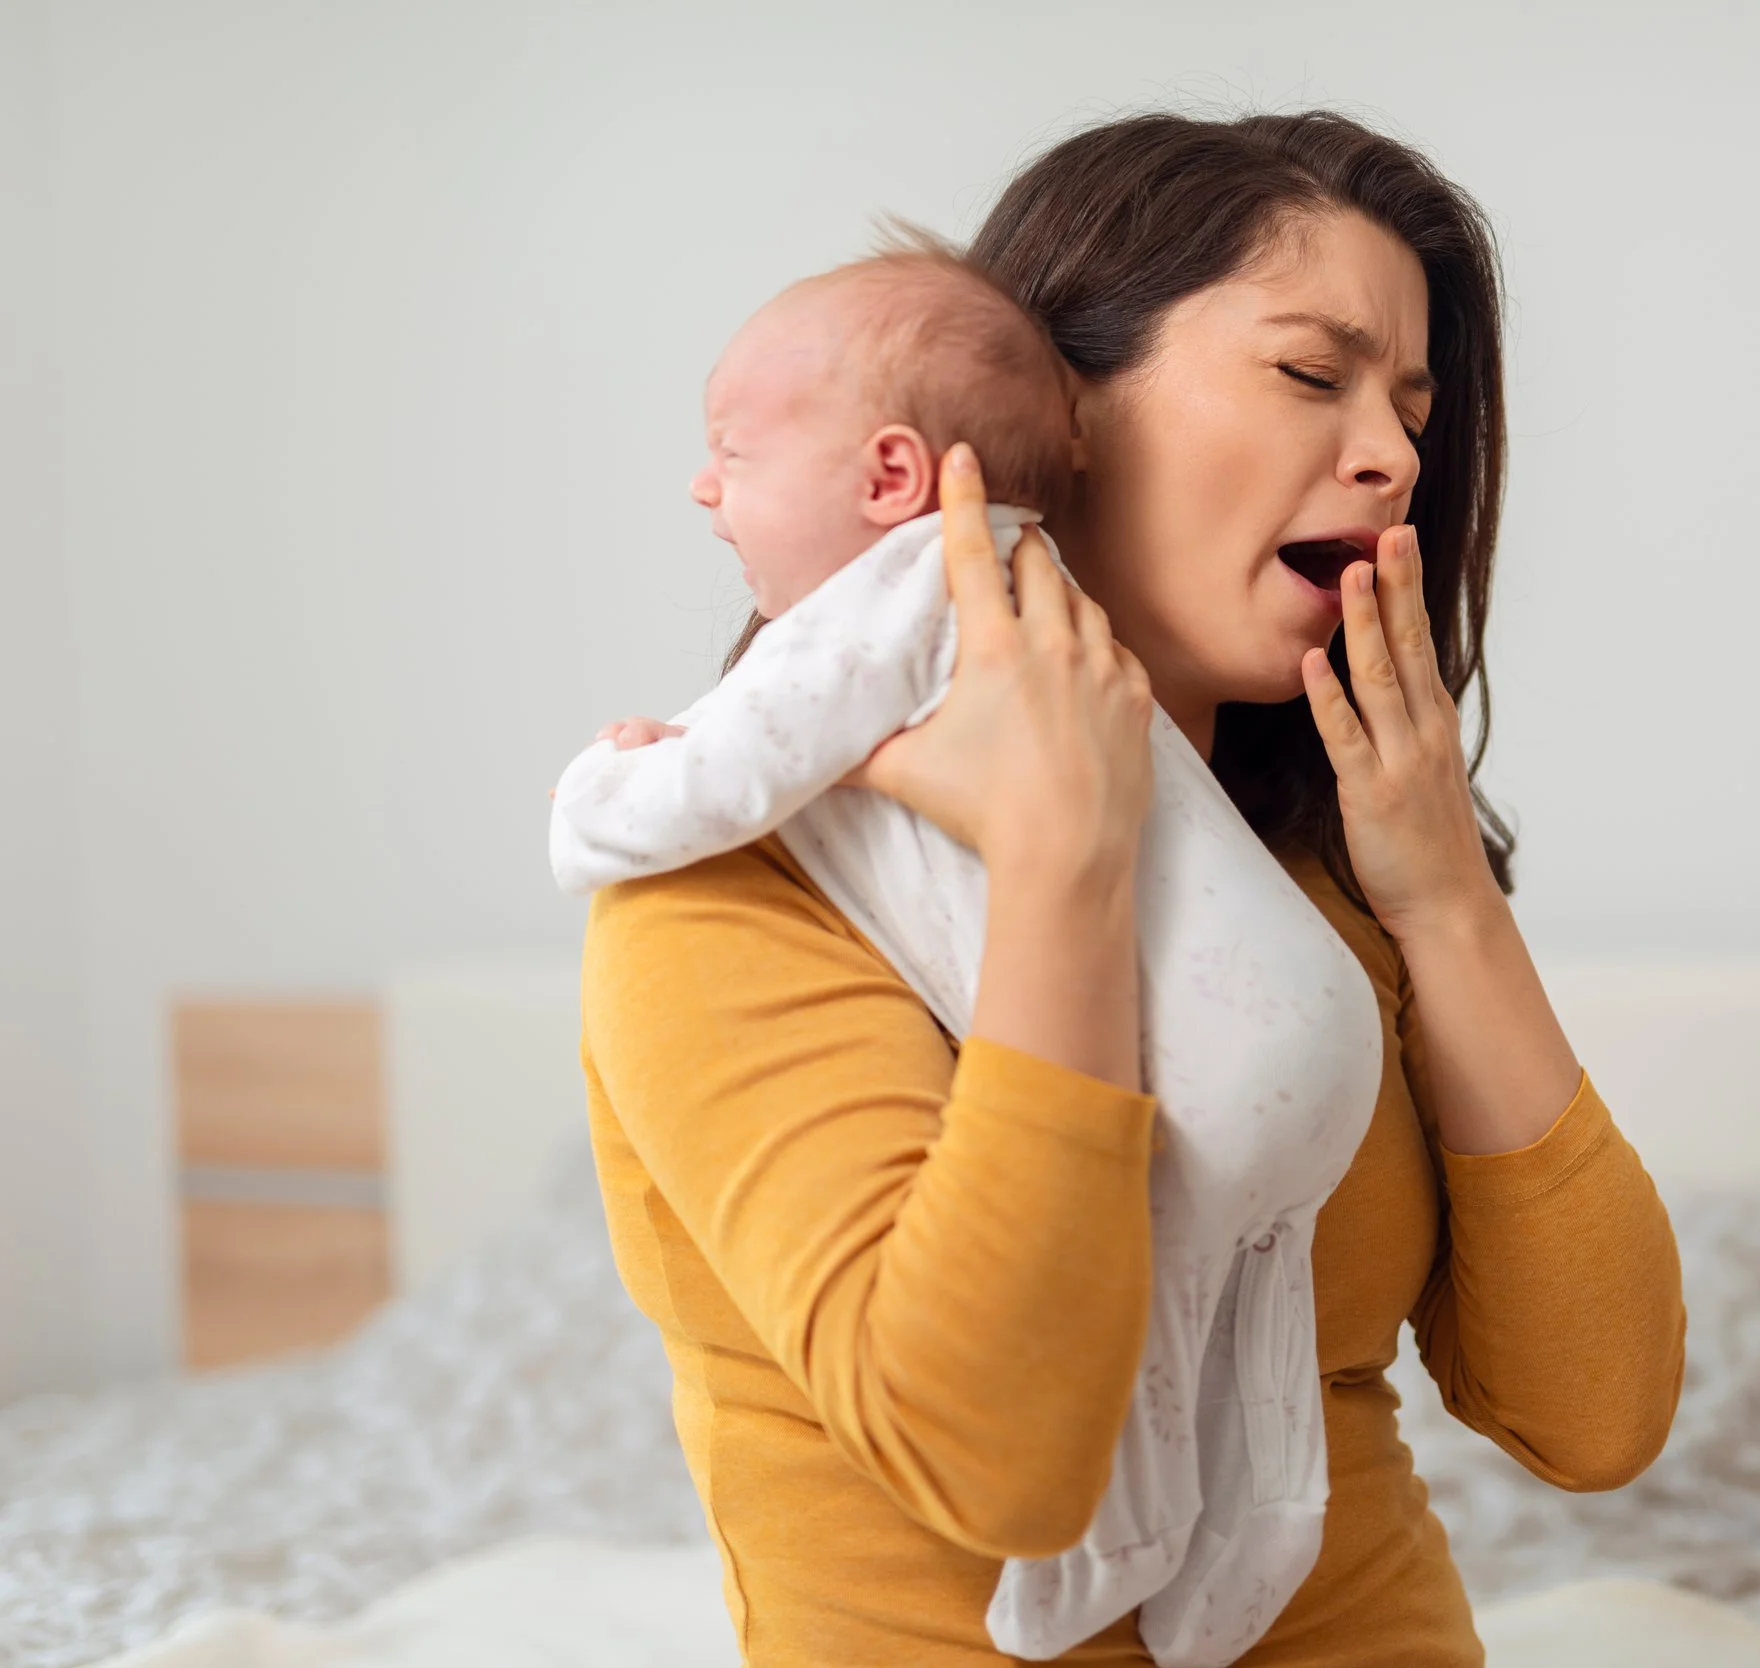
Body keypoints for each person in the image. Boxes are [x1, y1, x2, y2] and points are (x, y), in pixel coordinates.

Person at [578, 108, 1688, 1667]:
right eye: (1313, 374)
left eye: (1413, 412)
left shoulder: (1328, 884)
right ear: (1060, 403)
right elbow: (998, 1462)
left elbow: (1600, 1414)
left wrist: (1446, 899)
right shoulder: (739, 893)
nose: (1392, 458)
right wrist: (1060, 867)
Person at [550, 238, 1393, 1663]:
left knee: (1161, 1350)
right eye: (1310, 375)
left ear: (891, 477)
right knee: (1250, 1346)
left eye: (733, 451)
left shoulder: (910, 596)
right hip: (1312, 1027)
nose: (707, 486)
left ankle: (1122, 1552)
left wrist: (616, 777)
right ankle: (1251, 1538)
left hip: (1211, 1062)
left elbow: (738, 762)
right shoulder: (1039, 600)